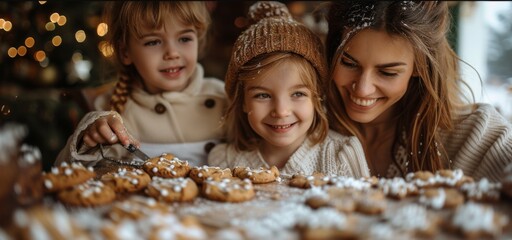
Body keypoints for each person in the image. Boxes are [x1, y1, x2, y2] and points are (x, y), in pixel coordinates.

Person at [323, 1, 512, 181]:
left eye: (387, 73)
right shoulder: (305, 128)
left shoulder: (473, 131)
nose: (363, 89)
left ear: (419, 66)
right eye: (348, 63)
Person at [207, 1, 369, 177]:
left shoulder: (341, 154)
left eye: (298, 93)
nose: (281, 111)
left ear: (317, 97)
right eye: (262, 95)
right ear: (243, 101)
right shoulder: (224, 162)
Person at [55, 2, 227, 167]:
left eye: (184, 39)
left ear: (199, 38)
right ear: (125, 52)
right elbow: (67, 173)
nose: (172, 53)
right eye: (153, 42)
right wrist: (88, 137)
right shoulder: (113, 112)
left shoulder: (224, 98)